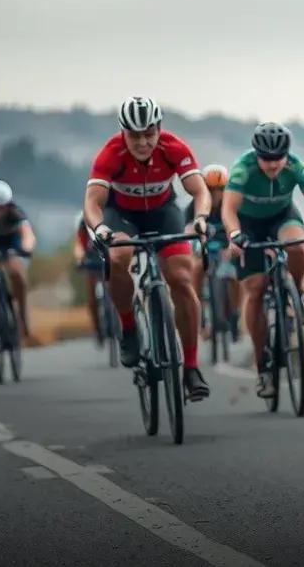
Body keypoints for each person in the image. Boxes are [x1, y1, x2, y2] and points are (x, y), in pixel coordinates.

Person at [83, 96, 213, 401]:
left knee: (181, 279)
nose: (143, 142)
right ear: (123, 133)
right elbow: (92, 203)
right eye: (134, 136)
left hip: (163, 213)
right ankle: (128, 326)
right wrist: (100, 228)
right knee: (118, 256)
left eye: (149, 134)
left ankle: (191, 368)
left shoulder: (174, 147)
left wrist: (200, 218)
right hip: (122, 216)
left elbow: (200, 191)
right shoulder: (110, 153)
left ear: (159, 128)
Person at [220, 122, 304, 399]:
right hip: (248, 225)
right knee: (255, 289)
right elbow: (228, 209)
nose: (273, 164)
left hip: (283, 217)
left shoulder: (296, 165)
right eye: (266, 158)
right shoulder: (243, 168)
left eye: (278, 158)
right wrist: (234, 235)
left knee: (298, 247)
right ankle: (262, 366)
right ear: (256, 154)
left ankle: (297, 293)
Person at [185, 164, 240, 341]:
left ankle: (235, 314)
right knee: (196, 269)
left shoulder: (231, 205)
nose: (216, 195)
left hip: (227, 247)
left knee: (234, 276)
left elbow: (239, 228)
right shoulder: (195, 206)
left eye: (220, 190)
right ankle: (200, 314)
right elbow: (187, 229)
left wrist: (232, 246)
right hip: (205, 247)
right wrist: (195, 243)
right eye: (210, 190)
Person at [0, 180, 36, 337]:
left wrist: (26, 249)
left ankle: (22, 315)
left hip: (11, 243)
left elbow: (27, 234)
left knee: (16, 271)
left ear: (9, 204)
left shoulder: (16, 213)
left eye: (1, 207)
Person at [72, 210, 105, 343]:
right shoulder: (83, 222)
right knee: (92, 295)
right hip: (92, 259)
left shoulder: (109, 213)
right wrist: (79, 259)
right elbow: (79, 244)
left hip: (108, 255)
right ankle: (97, 328)